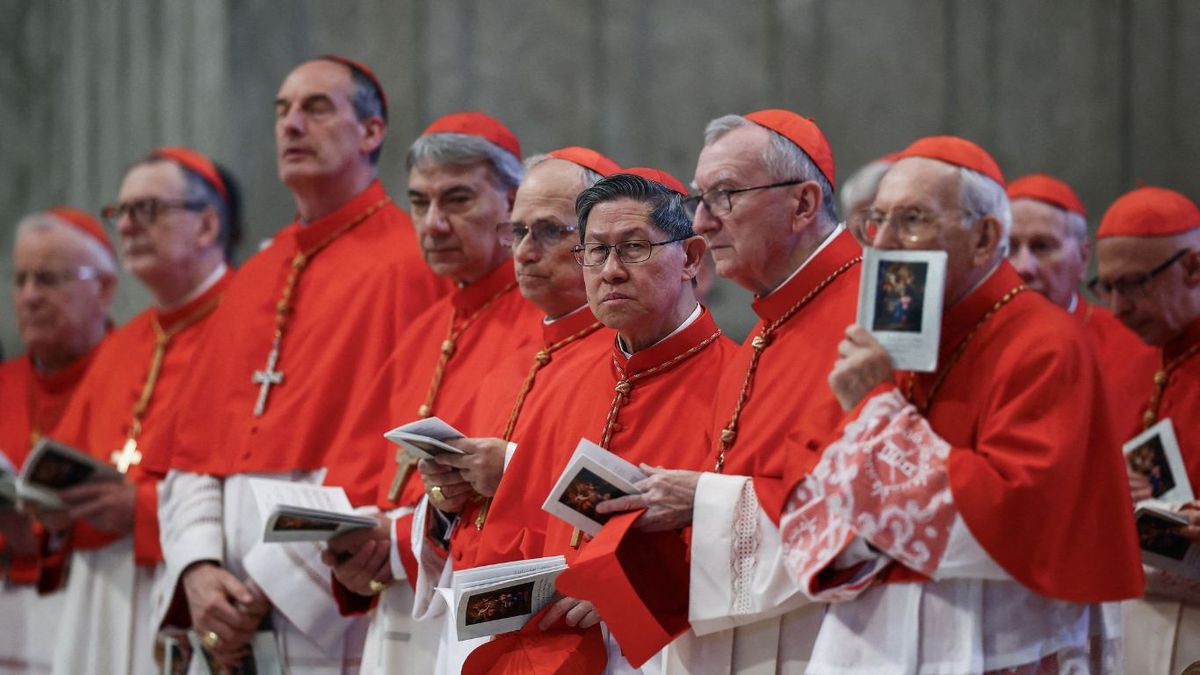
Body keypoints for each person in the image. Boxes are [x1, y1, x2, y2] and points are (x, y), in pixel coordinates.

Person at [776, 136, 1144, 672]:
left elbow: (1012, 513)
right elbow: (807, 478)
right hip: (873, 635)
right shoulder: (890, 325)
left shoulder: (1044, 342)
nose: (885, 242)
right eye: (875, 221)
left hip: (994, 636)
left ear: (985, 236)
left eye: (913, 219)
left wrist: (877, 410)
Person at [154, 55, 449, 673]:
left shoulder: (411, 264)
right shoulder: (254, 275)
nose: (291, 125)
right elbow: (193, 450)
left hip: (329, 606)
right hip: (223, 608)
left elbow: (400, 455)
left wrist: (269, 589)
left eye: (316, 108)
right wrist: (199, 572)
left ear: (371, 133)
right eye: (282, 110)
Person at [581, 111, 858, 673]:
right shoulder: (766, 329)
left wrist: (699, 501)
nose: (703, 221)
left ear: (803, 204)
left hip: (831, 636)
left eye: (725, 195)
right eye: (701, 198)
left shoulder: (871, 319)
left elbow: (874, 511)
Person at [356, 146, 618, 674]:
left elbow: (639, 507)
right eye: (516, 232)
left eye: (548, 231)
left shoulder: (624, 359)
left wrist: (513, 470)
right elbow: (471, 518)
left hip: (572, 638)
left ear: (599, 242)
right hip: (472, 631)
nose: (523, 251)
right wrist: (446, 499)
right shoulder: (507, 369)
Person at [469, 170, 736, 673]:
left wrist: (628, 588)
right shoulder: (563, 380)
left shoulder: (738, 380)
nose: (611, 270)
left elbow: (747, 533)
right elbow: (512, 533)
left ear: (692, 259)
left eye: (634, 248)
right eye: (596, 251)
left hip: (674, 652)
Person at [320, 111, 543, 674]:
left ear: (513, 203)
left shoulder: (539, 325)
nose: (433, 224)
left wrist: (398, 539)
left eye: (458, 200)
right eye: (419, 203)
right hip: (398, 604)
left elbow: (522, 484)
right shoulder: (427, 327)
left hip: (474, 610)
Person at [35, 147, 238, 675]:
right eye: (120, 212)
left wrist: (142, 510)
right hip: (101, 586)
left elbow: (252, 467)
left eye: (147, 210)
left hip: (187, 584)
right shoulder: (123, 343)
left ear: (206, 224)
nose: (126, 225)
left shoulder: (250, 324)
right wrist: (52, 511)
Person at [0, 207, 117, 674]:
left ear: (104, 288)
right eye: (21, 279)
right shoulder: (4, 382)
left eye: (48, 280)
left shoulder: (135, 373)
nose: (29, 297)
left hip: (98, 606)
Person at [1093, 186, 1200, 673]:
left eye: (1134, 284)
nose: (1118, 308)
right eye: (1108, 287)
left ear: (1194, 268)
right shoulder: (1121, 352)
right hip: (1130, 613)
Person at [1007, 174, 1159, 417]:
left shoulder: (1136, 347)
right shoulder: (968, 342)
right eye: (1009, 248)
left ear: (1083, 258)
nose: (1023, 267)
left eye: (1042, 246)